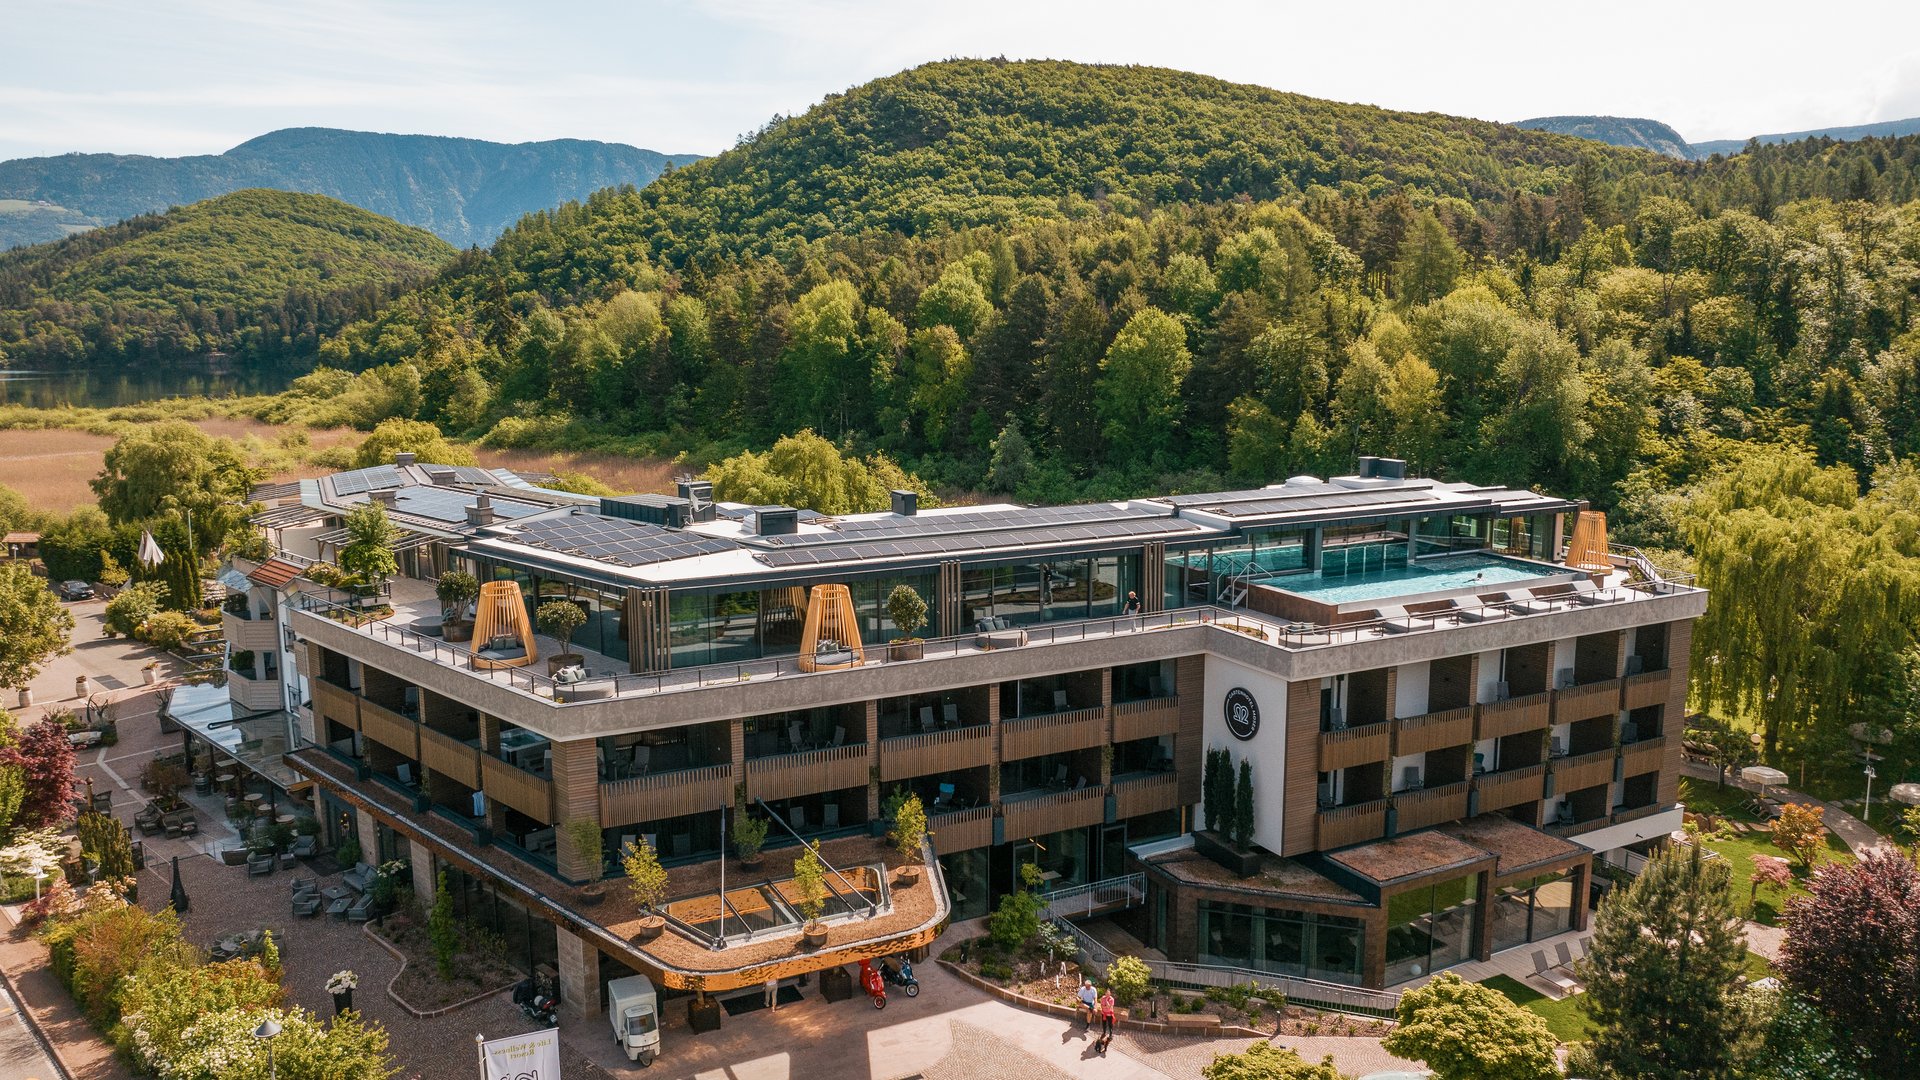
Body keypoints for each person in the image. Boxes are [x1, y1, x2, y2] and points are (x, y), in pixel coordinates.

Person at [1097, 987, 1116, 1051]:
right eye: (1106, 993)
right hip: (1104, 1013)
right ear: (1105, 993)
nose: (1107, 994)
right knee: (1104, 1023)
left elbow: (1110, 1008)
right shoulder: (1103, 998)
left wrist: (1107, 1006)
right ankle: (1104, 1032)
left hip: (1109, 1014)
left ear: (1110, 993)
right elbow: (1102, 1006)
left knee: (1110, 1024)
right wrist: (1106, 1006)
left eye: (1108, 993)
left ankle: (1110, 1034)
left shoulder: (1112, 999)